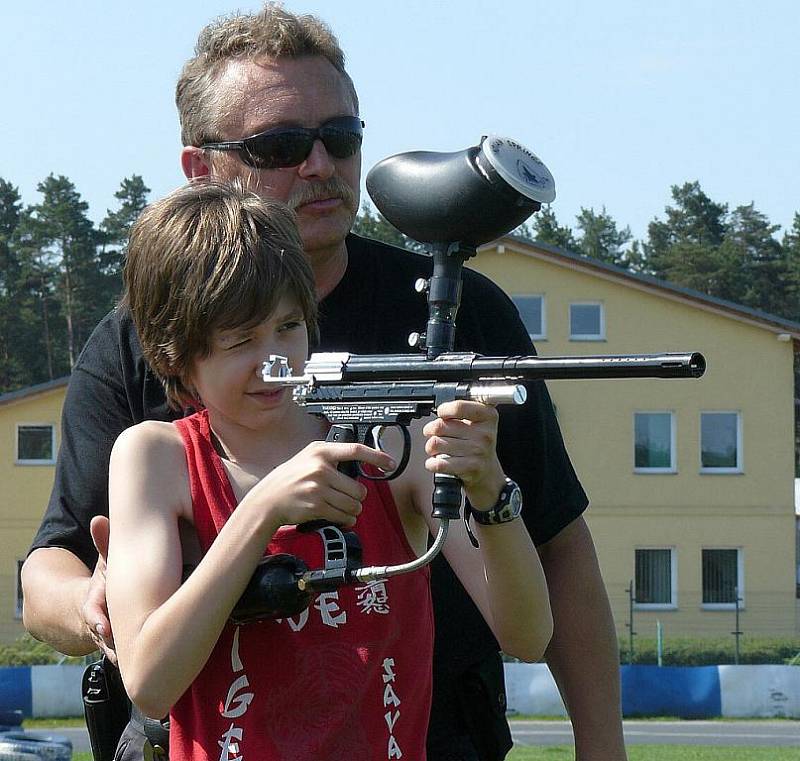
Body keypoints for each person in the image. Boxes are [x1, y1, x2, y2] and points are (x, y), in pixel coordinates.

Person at [22, 4, 627, 760]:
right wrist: (103, 605)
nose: (319, 165)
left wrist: (487, 490)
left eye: (340, 138)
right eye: (280, 144)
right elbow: (54, 572)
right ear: (201, 168)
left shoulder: (458, 320)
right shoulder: (138, 357)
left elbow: (552, 559)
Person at [105, 178, 551, 760]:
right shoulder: (155, 456)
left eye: (289, 327)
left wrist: (491, 493)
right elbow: (150, 682)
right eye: (241, 340)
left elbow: (529, 635)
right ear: (177, 356)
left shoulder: (394, 442)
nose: (275, 359)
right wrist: (263, 510)